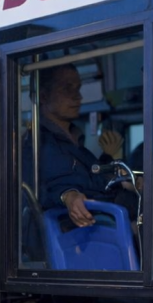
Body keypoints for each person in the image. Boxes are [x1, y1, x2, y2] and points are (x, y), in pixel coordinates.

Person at [35, 64, 132, 227]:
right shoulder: (38, 144)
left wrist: (124, 176)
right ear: (44, 96)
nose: (78, 97)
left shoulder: (79, 146)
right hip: (81, 237)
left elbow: (96, 181)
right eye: (67, 89)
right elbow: (49, 190)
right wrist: (69, 196)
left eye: (78, 89)